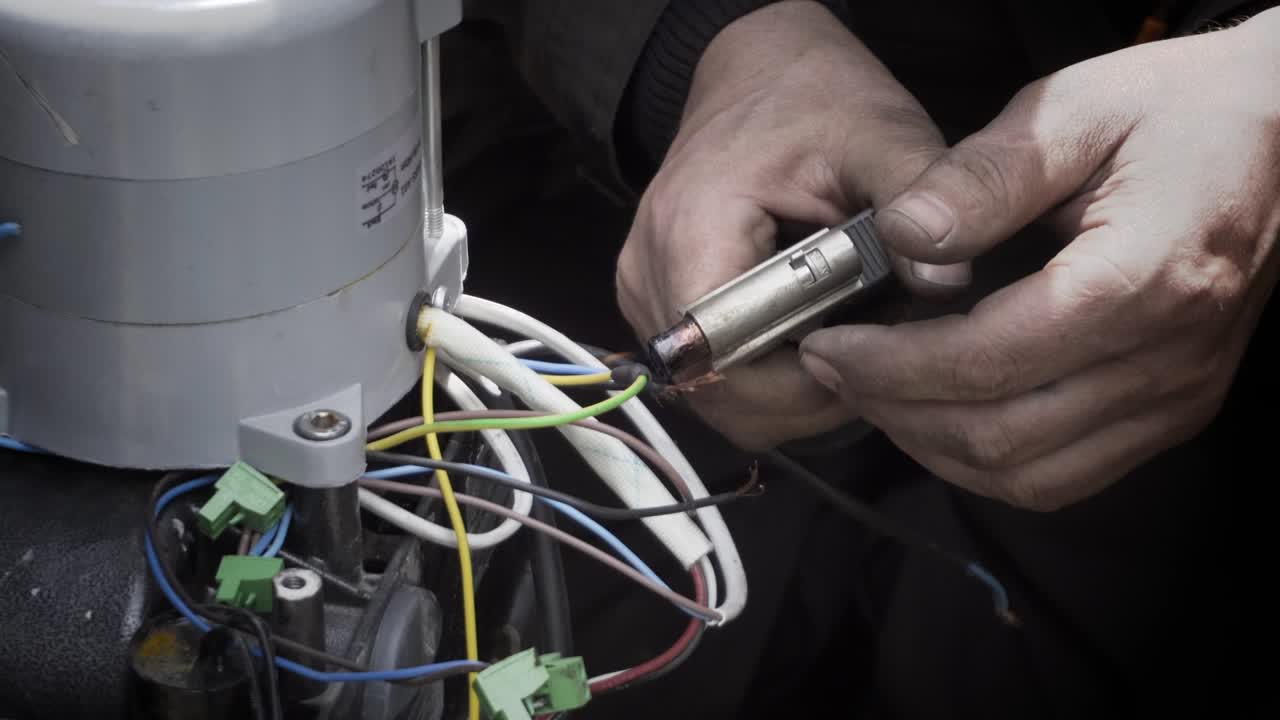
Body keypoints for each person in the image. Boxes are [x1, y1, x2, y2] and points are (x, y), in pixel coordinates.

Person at [447, 1, 1279, 717]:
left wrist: (1262, 79)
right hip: (641, 197)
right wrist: (706, 34)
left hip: (1180, 309)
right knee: (530, 625)